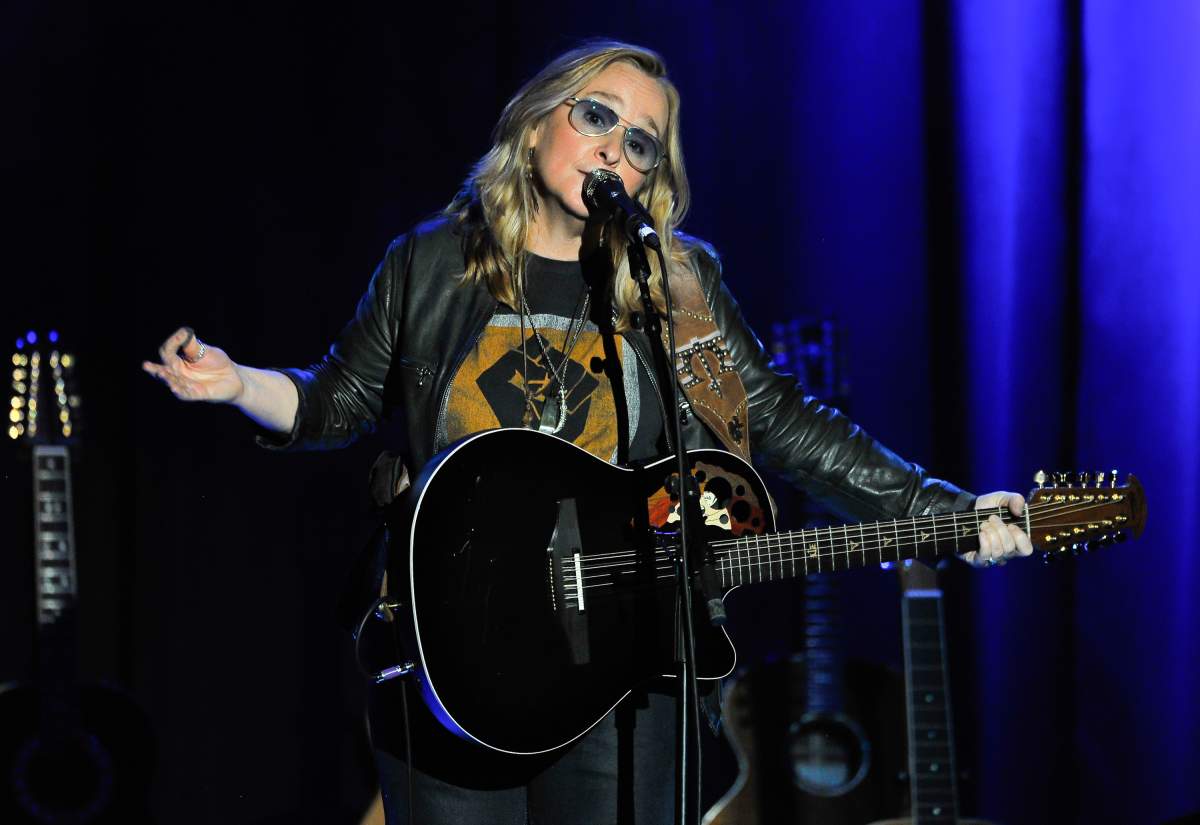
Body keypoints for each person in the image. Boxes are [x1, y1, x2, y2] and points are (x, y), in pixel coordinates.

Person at [143, 40, 1033, 825]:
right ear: (536, 125)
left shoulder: (675, 284)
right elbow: (334, 401)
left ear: (649, 179)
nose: (615, 145)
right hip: (450, 652)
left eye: (641, 141)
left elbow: (778, 421)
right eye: (597, 115)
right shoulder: (429, 264)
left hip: (620, 660)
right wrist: (238, 382)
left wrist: (944, 509)